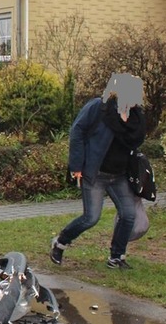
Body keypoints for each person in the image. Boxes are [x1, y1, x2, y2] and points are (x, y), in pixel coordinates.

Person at [50, 73, 146, 269]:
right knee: (90, 218)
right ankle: (60, 242)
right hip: (96, 174)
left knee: (128, 215)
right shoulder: (99, 108)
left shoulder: (136, 116)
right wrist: (76, 166)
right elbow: (77, 131)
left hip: (119, 175)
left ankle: (116, 256)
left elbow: (134, 143)